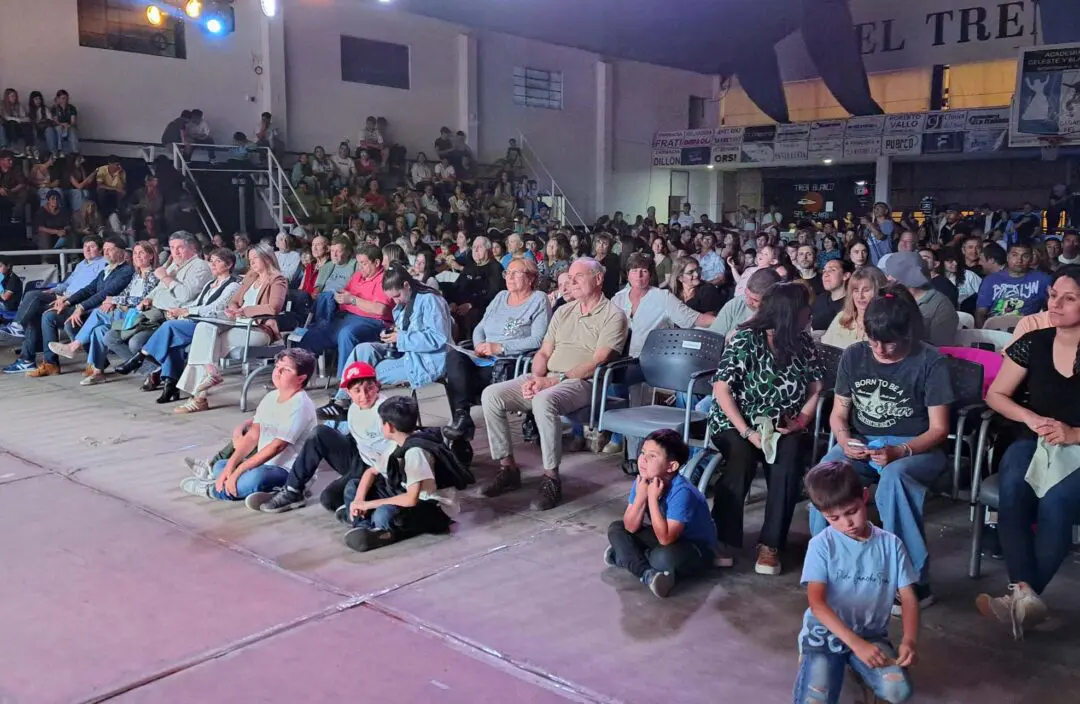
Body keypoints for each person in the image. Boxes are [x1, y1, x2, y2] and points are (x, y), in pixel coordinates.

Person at [812, 285, 953, 611]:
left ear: (906, 335)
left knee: (894, 481)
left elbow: (939, 430)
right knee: (827, 474)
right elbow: (839, 413)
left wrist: (900, 451)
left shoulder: (929, 361)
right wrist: (845, 439)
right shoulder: (855, 355)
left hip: (917, 448)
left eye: (888, 342)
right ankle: (831, 567)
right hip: (864, 442)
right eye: (873, 340)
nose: (880, 349)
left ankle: (914, 581)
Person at [977, 266, 1080, 640]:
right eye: (1054, 295)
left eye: (1069, 298)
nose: (1056, 304)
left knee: (1056, 502)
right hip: (1035, 439)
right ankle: (1024, 593)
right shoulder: (1034, 340)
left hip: (1079, 445)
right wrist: (1032, 418)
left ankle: (1021, 598)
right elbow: (996, 395)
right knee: (1013, 484)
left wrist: (1073, 433)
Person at [480, 258, 627, 511]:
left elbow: (597, 361)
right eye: (569, 278)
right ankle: (508, 468)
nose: (571, 283)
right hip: (548, 377)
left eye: (578, 277)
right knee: (492, 394)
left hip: (582, 382)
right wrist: (537, 378)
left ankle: (551, 478)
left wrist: (552, 381)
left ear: (598, 279)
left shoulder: (613, 315)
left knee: (543, 399)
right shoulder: (563, 311)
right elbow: (544, 353)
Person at [707, 283, 824, 574]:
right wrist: (747, 432)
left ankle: (771, 544)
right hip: (737, 420)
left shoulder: (802, 341)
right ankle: (722, 537)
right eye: (804, 309)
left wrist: (803, 419)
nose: (809, 313)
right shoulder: (747, 338)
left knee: (789, 457)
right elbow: (722, 390)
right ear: (790, 313)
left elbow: (816, 386)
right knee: (741, 458)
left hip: (782, 421)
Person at [794, 461, 917, 704]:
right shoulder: (821, 546)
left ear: (864, 497)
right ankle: (826, 664)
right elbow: (817, 604)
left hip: (870, 635)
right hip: (824, 637)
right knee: (815, 700)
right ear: (822, 515)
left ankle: (848, 669)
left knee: (898, 691)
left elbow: (909, 598)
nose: (846, 524)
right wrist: (854, 644)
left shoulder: (891, 545)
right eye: (834, 518)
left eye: (851, 511)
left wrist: (909, 640)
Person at [244, 361, 390, 514]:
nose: (364, 395)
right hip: (360, 461)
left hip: (379, 470)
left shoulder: (385, 410)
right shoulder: (354, 408)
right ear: (348, 392)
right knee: (320, 433)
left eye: (369, 389)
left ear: (377, 386)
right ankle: (293, 490)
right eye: (357, 391)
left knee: (329, 499)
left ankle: (370, 502)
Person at [180, 348, 318, 501]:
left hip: (288, 470)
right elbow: (253, 435)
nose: (277, 373)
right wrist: (231, 467)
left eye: (286, 370)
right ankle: (262, 490)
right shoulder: (271, 397)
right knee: (221, 466)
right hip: (266, 464)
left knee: (257, 477)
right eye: (277, 367)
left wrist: (238, 471)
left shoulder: (300, 405)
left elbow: (277, 446)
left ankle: (213, 490)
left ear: (301, 378)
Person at [319, 264, 451, 418]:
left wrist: (400, 337)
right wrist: (396, 334)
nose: (395, 301)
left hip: (426, 361)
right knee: (363, 350)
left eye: (396, 296)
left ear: (406, 285)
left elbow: (438, 338)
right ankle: (341, 401)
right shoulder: (406, 300)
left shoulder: (430, 300)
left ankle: (353, 411)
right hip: (408, 351)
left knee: (370, 373)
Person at [169, 245, 288, 413]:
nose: (251, 262)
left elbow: (274, 307)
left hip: (258, 329)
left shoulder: (277, 279)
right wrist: (234, 309)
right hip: (237, 323)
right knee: (203, 328)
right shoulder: (250, 277)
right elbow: (234, 300)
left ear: (267, 258)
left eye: (255, 258)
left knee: (207, 344)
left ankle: (200, 395)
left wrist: (245, 311)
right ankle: (205, 384)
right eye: (250, 259)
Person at [442, 257, 550, 441]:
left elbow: (538, 339)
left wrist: (500, 347)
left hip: (508, 362)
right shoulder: (500, 297)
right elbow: (480, 327)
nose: (509, 277)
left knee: (460, 381)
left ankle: (463, 423)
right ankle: (463, 417)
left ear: (530, 278)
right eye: (507, 273)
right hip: (482, 356)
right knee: (454, 357)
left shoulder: (538, 300)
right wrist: (478, 345)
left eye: (515, 273)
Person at [339, 395, 465, 552]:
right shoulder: (396, 444)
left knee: (385, 513)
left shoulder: (415, 452)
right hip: (406, 492)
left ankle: (379, 529)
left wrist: (368, 504)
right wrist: (358, 500)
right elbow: (371, 471)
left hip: (434, 507)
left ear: (390, 427)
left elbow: (411, 499)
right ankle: (364, 525)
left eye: (381, 422)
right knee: (354, 486)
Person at [605, 429, 717, 598]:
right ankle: (646, 573)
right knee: (617, 528)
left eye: (652, 456)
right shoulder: (644, 479)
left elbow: (666, 539)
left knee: (661, 558)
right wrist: (641, 497)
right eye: (643, 453)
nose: (643, 459)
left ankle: (625, 555)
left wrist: (651, 499)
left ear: (672, 466)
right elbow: (630, 527)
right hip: (664, 537)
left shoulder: (682, 491)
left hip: (695, 547)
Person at [114, 248, 240, 393]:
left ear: (229, 264)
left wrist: (187, 312)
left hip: (212, 324)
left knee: (169, 327)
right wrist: (179, 309)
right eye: (211, 261)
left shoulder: (233, 285)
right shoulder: (210, 284)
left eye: (218, 261)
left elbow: (215, 307)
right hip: (197, 321)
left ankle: (141, 358)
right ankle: (170, 384)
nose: (213, 265)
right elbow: (197, 303)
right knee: (172, 343)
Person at [49, 241, 159, 383]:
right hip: (128, 314)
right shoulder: (136, 275)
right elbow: (124, 294)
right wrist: (112, 301)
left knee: (98, 313)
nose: (137, 256)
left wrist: (114, 300)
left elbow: (142, 299)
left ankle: (73, 346)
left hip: (141, 317)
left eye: (142, 253)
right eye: (136, 253)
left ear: (151, 256)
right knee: (99, 330)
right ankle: (98, 372)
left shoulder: (153, 275)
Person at [1, 237, 108, 374]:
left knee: (41, 312)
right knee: (34, 296)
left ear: (100, 250)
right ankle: (29, 352)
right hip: (62, 296)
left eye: (92, 246)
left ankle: (33, 357)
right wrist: (53, 290)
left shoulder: (103, 265)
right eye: (85, 246)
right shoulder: (82, 264)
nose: (87, 249)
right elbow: (66, 283)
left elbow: (92, 290)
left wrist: (66, 298)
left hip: (76, 301)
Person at [297, 244, 392, 377]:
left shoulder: (384, 279)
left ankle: (345, 385)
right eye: (358, 263)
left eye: (363, 263)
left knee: (346, 334)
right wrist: (338, 296)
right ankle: (295, 379)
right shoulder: (358, 275)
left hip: (373, 322)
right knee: (310, 335)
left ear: (376, 262)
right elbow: (346, 293)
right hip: (345, 317)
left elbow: (381, 309)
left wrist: (353, 300)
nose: (359, 267)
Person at [881, 252, 957, 347]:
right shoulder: (891, 298)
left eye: (893, 274)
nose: (888, 278)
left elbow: (940, 349)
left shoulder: (941, 306)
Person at [975, 242, 1053, 328]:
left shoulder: (1043, 280)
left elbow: (1052, 309)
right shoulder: (990, 280)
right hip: (996, 331)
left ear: (1031, 259)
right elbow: (980, 313)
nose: (1019, 260)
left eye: (1025, 256)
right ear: (1008, 257)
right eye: (1015, 255)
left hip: (1027, 331)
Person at [449, 236, 505, 338]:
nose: (475, 250)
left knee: (471, 316)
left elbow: (494, 294)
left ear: (488, 250)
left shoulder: (495, 268)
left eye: (479, 247)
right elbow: (455, 286)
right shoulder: (470, 266)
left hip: (481, 309)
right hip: (460, 306)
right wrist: (452, 302)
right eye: (474, 247)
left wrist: (471, 305)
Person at [821, 266, 888, 349]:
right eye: (856, 290)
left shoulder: (886, 324)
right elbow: (824, 349)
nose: (860, 296)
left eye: (866, 290)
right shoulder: (842, 317)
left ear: (879, 292)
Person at [709, 267, 782, 340]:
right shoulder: (736, 304)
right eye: (747, 295)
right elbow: (713, 337)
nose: (748, 302)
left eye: (755, 300)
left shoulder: (782, 315)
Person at [811, 259, 852, 331]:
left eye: (832, 270)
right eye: (824, 271)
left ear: (845, 275)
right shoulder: (819, 299)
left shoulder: (854, 303)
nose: (826, 274)